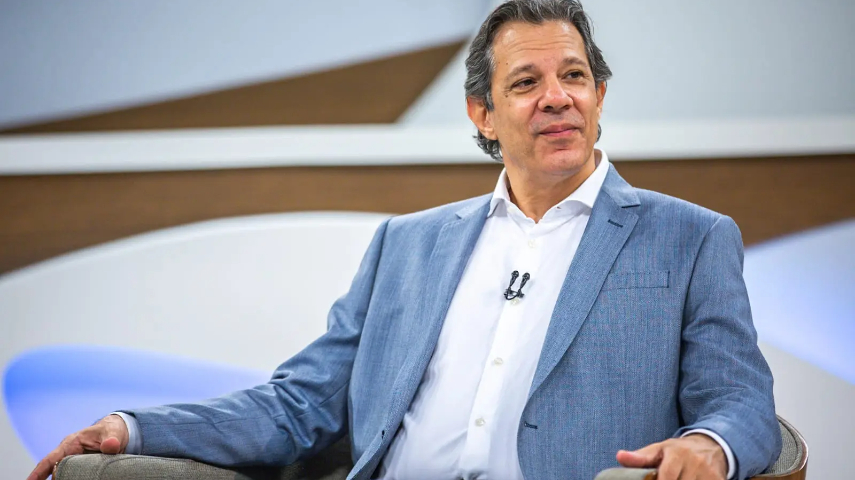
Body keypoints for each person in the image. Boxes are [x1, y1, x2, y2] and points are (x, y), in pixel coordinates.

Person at [29, 1, 782, 479]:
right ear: (482, 115)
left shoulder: (689, 238)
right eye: (526, 83)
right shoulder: (407, 245)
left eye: (574, 76)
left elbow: (741, 401)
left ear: (599, 95)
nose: (557, 98)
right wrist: (132, 428)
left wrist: (708, 447)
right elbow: (298, 404)